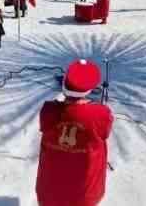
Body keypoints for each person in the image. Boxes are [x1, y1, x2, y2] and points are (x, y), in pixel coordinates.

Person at [36, 59, 114, 206]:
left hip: (49, 192)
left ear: (64, 84)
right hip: (85, 194)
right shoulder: (101, 114)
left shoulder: (48, 110)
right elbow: (104, 132)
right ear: (90, 89)